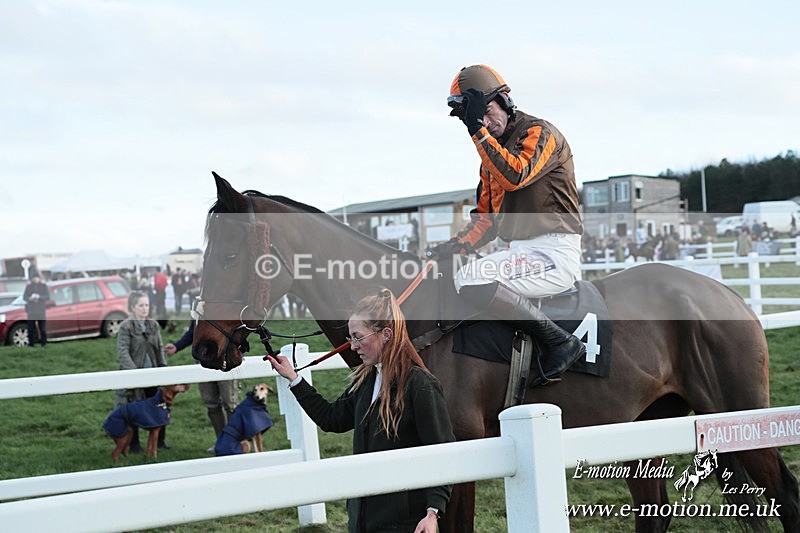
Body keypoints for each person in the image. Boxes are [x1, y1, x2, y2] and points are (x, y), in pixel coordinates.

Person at [429, 64, 585, 385]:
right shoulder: (490, 154)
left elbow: (516, 175)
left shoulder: (541, 133)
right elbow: (487, 220)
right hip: (521, 255)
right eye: (474, 118)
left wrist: (477, 132)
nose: (485, 122)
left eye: (486, 112)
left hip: (553, 252)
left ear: (505, 100)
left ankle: (560, 342)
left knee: (471, 278)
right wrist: (455, 246)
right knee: (456, 275)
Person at [268, 289, 454, 533]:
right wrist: (293, 378)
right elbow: (331, 419)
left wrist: (433, 513)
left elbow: (443, 452)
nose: (352, 346)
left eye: (357, 337)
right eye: (350, 338)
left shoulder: (420, 385)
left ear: (386, 334)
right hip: (364, 519)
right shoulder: (366, 382)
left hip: (406, 524)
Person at [164, 320, 240, 451]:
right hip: (204, 362)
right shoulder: (200, 305)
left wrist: (238, 353)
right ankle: (221, 442)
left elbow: (239, 331)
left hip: (226, 361)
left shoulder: (225, 304)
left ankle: (236, 442)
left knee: (230, 404)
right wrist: (177, 346)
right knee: (211, 403)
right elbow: (194, 332)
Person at [116, 291, 169, 452]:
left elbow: (159, 349)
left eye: (147, 305)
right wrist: (134, 374)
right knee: (135, 408)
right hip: (135, 375)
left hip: (153, 375)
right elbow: (123, 352)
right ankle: (134, 444)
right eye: (141, 305)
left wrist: (164, 370)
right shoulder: (125, 327)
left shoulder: (153, 325)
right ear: (133, 307)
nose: (145, 309)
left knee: (159, 406)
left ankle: (160, 442)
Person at [23, 274, 49, 347]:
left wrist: (40, 297)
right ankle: (31, 344)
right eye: (34, 278)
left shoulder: (43, 286)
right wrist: (29, 298)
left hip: (41, 310)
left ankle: (44, 343)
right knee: (31, 329)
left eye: (36, 278)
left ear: (39, 278)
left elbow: (47, 297)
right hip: (31, 310)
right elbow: (24, 297)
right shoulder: (29, 287)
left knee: (42, 329)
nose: (35, 279)